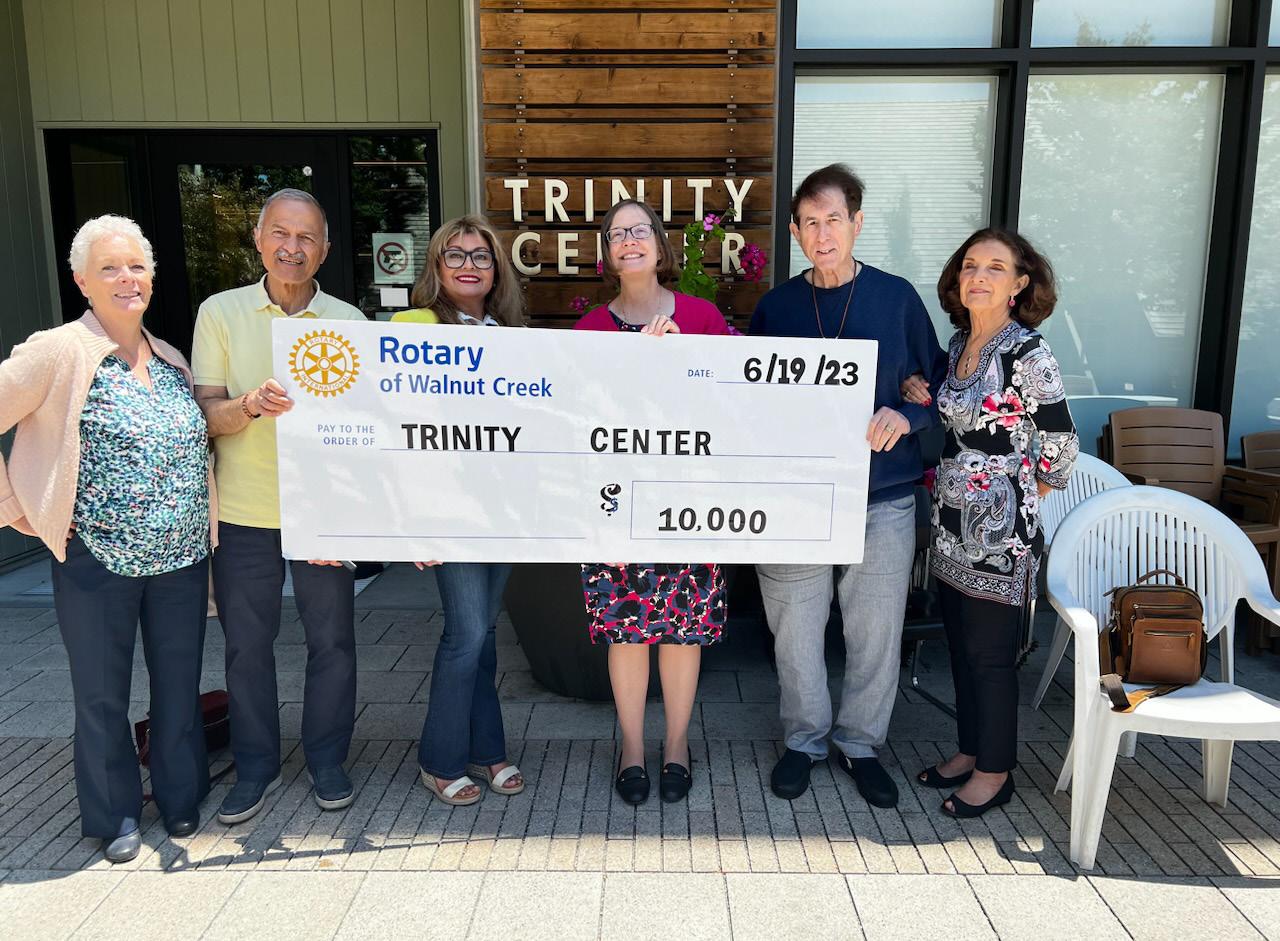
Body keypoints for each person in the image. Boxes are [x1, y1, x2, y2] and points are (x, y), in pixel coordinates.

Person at [0, 215, 214, 862]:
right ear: (81, 281)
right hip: (97, 559)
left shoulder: (171, 358)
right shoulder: (57, 350)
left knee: (178, 685)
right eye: (109, 268)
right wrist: (21, 510)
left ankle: (180, 795)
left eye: (136, 266)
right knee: (101, 692)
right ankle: (114, 812)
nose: (127, 279)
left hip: (180, 558)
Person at [749, 164, 947, 807]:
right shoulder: (776, 308)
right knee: (795, 628)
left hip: (882, 494)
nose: (822, 233)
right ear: (795, 231)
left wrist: (909, 412)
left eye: (834, 219)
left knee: (875, 629)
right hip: (796, 498)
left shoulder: (896, 298)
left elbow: (941, 381)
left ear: (857, 223)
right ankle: (804, 740)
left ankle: (861, 744)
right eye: (809, 222)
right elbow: (746, 401)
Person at [191, 188, 366, 824]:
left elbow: (367, 427)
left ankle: (327, 760)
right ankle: (255, 766)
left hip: (322, 511)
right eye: (281, 235)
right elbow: (205, 413)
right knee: (246, 645)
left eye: (307, 237)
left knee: (333, 642)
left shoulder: (349, 320)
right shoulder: (220, 311)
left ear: (326, 249)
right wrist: (249, 406)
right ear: (259, 239)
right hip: (244, 509)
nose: (293, 248)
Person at [901, 229, 1077, 817]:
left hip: (1000, 536)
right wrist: (917, 389)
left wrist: (1018, 492)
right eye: (971, 265)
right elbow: (949, 411)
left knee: (991, 656)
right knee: (959, 646)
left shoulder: (1028, 353)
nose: (979, 276)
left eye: (995, 267)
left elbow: (1061, 446)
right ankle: (970, 750)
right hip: (950, 526)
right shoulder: (959, 345)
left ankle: (995, 772)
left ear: (1019, 283)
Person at [574, 199, 730, 805]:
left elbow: (730, 404)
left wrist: (681, 361)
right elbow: (580, 417)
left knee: (683, 630)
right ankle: (633, 746)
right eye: (618, 233)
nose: (629, 240)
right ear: (608, 253)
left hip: (689, 498)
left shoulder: (702, 316)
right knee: (627, 629)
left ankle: (677, 745)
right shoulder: (590, 329)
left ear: (660, 245)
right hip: (616, 502)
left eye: (640, 230)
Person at [403, 215, 528, 806]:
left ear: (496, 269)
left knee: (484, 632)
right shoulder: (412, 328)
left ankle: (487, 749)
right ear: (437, 265)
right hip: (444, 510)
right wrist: (409, 520)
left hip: (501, 507)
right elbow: (397, 431)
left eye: (481, 256)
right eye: (455, 255)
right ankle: (440, 759)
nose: (469, 266)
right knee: (467, 631)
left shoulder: (510, 335)